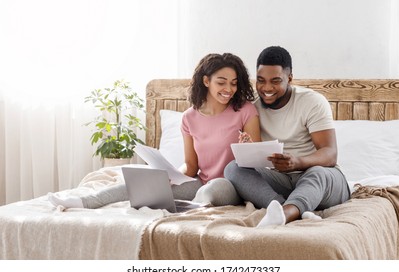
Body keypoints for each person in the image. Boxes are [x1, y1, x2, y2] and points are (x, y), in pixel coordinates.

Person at [49, 52, 261, 209]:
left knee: (212, 190)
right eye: (221, 82)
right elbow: (191, 165)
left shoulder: (244, 110)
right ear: (206, 81)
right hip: (200, 182)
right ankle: (83, 201)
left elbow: (257, 162)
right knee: (147, 184)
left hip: (231, 185)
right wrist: (172, 175)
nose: (229, 89)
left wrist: (248, 148)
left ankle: (185, 210)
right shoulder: (190, 117)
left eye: (234, 83)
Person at [224, 46, 350, 226]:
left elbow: (330, 154)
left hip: (319, 177)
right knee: (233, 168)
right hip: (281, 180)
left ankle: (286, 211)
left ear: (289, 78)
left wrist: (297, 162)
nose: (266, 88)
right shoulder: (253, 106)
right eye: (261, 80)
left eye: (275, 81)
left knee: (317, 173)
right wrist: (251, 149)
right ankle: (286, 209)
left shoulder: (311, 102)